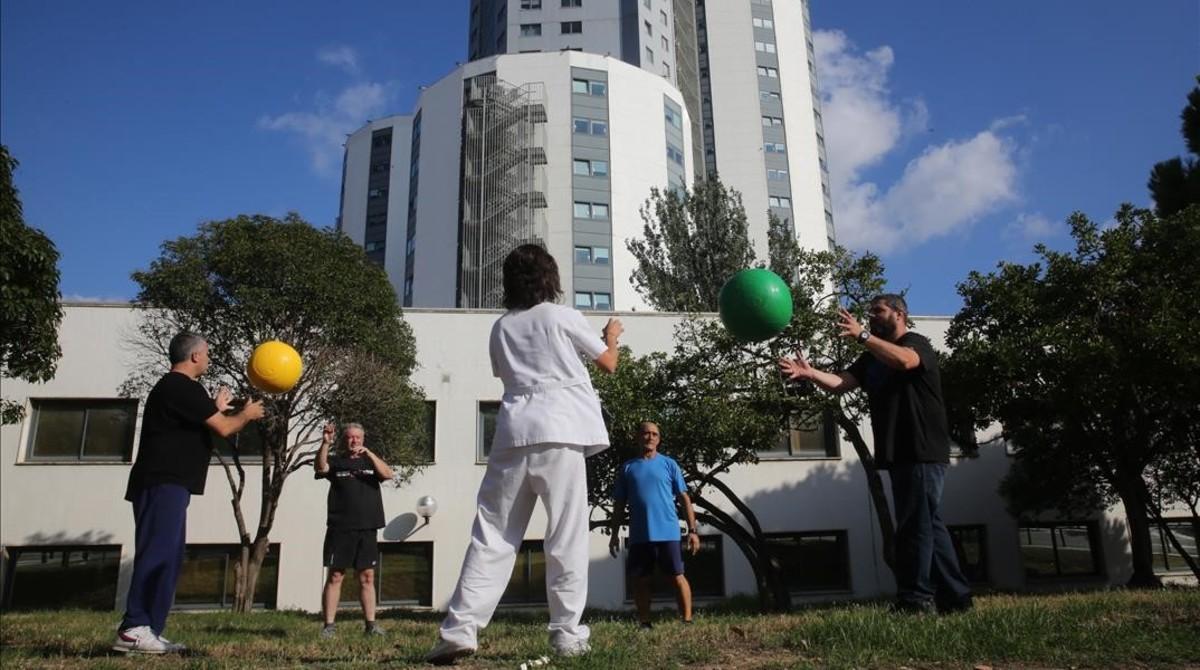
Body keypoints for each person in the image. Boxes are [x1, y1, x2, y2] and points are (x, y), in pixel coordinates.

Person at [426, 244, 623, 665]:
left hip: (513, 431)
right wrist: (612, 336)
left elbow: (507, 375)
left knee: (493, 535)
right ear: (549, 278)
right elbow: (608, 363)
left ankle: (460, 629)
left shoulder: (501, 327)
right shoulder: (561, 315)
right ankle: (567, 634)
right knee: (565, 535)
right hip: (562, 430)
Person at [778, 295, 972, 614]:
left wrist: (862, 336)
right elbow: (842, 382)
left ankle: (917, 599)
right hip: (899, 452)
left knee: (914, 526)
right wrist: (812, 374)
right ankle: (957, 597)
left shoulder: (915, 342)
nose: (871, 317)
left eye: (878, 311)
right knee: (927, 524)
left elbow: (907, 361)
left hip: (921, 449)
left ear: (899, 314)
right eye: (869, 313)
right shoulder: (871, 359)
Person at [114, 332, 265, 654]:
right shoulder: (179, 386)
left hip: (171, 485)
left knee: (168, 557)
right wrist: (247, 415)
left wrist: (216, 408)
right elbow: (225, 428)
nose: (208, 359)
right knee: (156, 554)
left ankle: (149, 631)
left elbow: (200, 423)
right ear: (195, 356)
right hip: (160, 482)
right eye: (206, 354)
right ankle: (133, 627)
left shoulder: (182, 392)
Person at [608, 421, 700, 628]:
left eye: (654, 434)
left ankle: (687, 620)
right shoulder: (627, 468)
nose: (650, 437)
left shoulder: (669, 464)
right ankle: (645, 623)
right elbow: (619, 504)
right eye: (645, 433)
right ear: (637, 437)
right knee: (640, 580)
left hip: (668, 533)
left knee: (677, 577)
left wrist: (692, 531)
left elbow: (684, 499)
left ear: (659, 439)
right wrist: (614, 534)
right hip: (640, 535)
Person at [315, 421, 394, 638]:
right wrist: (325, 444)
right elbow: (321, 467)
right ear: (344, 439)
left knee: (367, 577)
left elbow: (388, 474)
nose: (354, 441)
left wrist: (370, 454)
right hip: (340, 528)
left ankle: (371, 625)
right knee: (336, 575)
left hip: (367, 528)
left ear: (363, 439)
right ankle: (329, 627)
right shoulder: (337, 462)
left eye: (358, 437)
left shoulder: (370, 462)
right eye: (350, 437)